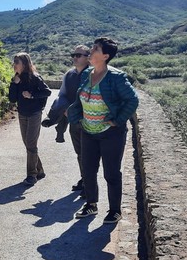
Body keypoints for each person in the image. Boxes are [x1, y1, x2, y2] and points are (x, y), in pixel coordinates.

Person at [67, 37, 139, 224]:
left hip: (110, 134)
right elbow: (79, 99)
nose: (91, 50)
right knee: (88, 170)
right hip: (88, 131)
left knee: (111, 173)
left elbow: (133, 100)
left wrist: (117, 120)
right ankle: (91, 204)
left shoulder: (115, 77)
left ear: (105, 56)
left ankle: (115, 210)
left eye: (96, 48)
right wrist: (79, 117)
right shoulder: (86, 74)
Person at [41, 45, 91, 194]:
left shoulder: (92, 74)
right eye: (73, 54)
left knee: (88, 154)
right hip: (73, 121)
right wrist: (63, 110)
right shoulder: (69, 75)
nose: (75, 57)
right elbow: (62, 94)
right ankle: (84, 180)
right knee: (80, 152)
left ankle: (89, 185)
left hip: (88, 120)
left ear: (88, 57)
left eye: (79, 55)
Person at [8, 52, 52, 186]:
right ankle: (40, 170)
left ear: (25, 64)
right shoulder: (16, 79)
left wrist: (31, 95)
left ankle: (31, 175)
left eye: (17, 62)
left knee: (31, 144)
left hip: (34, 114)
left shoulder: (35, 77)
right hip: (22, 114)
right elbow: (12, 99)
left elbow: (47, 91)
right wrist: (14, 84)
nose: (14, 64)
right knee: (28, 144)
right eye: (14, 61)